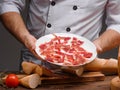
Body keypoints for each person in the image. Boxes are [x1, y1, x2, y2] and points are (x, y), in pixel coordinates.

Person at [0, 0, 120, 70]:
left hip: (83, 69)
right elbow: (9, 3)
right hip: (36, 64)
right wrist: (25, 37)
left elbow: (118, 23)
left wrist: (96, 46)